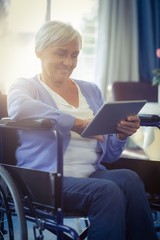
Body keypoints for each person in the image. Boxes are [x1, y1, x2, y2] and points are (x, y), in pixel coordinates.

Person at [7, 20, 158, 240]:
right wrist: (76, 123)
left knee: (129, 178)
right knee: (107, 192)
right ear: (39, 52)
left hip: (91, 175)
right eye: (61, 53)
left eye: (75, 55)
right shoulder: (26, 86)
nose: (69, 62)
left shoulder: (91, 90)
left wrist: (120, 135)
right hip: (47, 181)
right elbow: (20, 107)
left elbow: (110, 156)